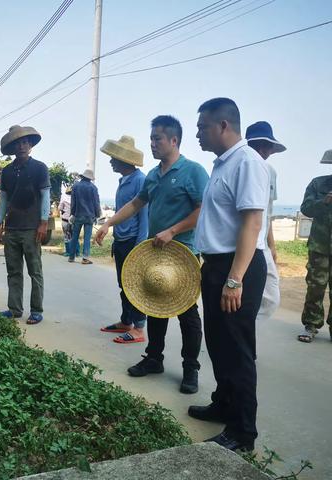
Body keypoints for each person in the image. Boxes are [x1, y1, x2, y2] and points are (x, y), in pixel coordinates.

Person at [96, 116, 209, 394]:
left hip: (183, 252)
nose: (153, 144)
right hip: (156, 252)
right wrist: (109, 222)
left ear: (174, 140)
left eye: (158, 138)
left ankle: (190, 367)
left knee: (186, 312)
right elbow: (136, 204)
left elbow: (203, 209)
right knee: (154, 306)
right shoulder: (153, 175)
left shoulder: (192, 171)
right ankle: (154, 358)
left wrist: (172, 231)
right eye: (151, 139)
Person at [190, 98, 269, 452]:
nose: (197, 134)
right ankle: (223, 404)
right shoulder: (222, 164)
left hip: (238, 266)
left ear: (224, 125)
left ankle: (242, 432)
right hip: (217, 264)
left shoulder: (247, 161)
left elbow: (252, 222)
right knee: (219, 344)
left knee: (237, 350)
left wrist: (234, 278)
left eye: (202, 127)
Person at [0, 125, 51, 325]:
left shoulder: (40, 168)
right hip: (12, 228)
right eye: (18, 143)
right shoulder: (7, 172)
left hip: (32, 228)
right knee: (14, 271)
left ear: (30, 145)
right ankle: (14, 309)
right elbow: (3, 199)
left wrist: (43, 223)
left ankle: (36, 310)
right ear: (12, 147)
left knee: (35, 271)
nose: (22, 146)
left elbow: (45, 196)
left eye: (25, 142)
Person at [99, 135, 148, 343]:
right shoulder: (123, 180)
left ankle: (138, 328)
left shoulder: (140, 180)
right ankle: (126, 321)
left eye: (114, 157)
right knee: (123, 284)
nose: (111, 161)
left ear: (124, 160)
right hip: (121, 239)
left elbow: (144, 214)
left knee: (133, 285)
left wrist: (140, 245)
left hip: (132, 241)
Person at [246, 121, 286, 320]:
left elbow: (267, 213)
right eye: (258, 145)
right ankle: (240, 328)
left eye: (267, 145)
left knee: (271, 297)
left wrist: (272, 245)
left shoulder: (271, 172)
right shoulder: (243, 167)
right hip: (245, 241)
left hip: (262, 244)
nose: (264, 150)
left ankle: (245, 324)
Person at [297, 149, 332, 343]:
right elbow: (306, 209)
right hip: (320, 246)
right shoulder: (318, 184)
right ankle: (311, 325)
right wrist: (324, 201)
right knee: (315, 287)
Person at [68, 169, 101, 265]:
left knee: (75, 236)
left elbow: (73, 203)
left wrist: (72, 213)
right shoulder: (93, 188)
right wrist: (97, 215)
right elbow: (96, 203)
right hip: (90, 216)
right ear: (90, 178)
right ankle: (85, 258)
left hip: (78, 214)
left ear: (82, 176)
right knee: (87, 237)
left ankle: (71, 257)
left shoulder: (75, 186)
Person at [58, 186, 80, 257]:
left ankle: (68, 252)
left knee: (67, 236)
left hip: (65, 220)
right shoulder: (77, 198)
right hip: (74, 220)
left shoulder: (63, 198)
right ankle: (77, 252)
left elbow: (60, 208)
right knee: (75, 236)